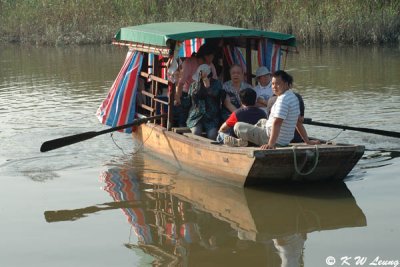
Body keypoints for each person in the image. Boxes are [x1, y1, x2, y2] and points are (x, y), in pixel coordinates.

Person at [226, 70, 300, 149]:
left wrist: (270, 144)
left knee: (238, 126)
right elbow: (298, 122)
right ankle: (247, 139)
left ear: (286, 84)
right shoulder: (293, 96)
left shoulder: (283, 100)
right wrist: (307, 141)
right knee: (262, 121)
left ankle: (245, 141)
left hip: (275, 140)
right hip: (284, 139)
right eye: (272, 84)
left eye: (277, 84)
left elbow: (277, 123)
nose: (274, 87)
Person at [174, 43, 218, 127]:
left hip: (203, 95)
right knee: (183, 115)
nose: (212, 58)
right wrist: (178, 98)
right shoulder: (189, 63)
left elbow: (215, 81)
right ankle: (182, 127)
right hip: (187, 94)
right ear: (206, 56)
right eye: (211, 56)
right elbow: (181, 83)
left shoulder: (210, 66)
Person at [186, 64, 224, 140]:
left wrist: (208, 88)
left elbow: (219, 96)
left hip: (211, 117)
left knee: (212, 135)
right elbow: (189, 100)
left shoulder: (217, 84)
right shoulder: (194, 85)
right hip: (196, 116)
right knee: (196, 133)